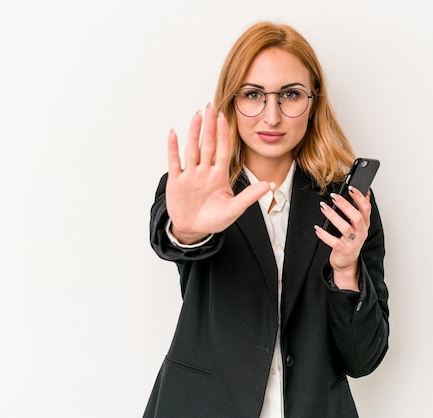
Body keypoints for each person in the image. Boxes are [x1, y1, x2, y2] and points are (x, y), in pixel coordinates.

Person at [144, 21, 389, 418]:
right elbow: (172, 234)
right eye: (253, 95)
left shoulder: (350, 206)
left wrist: (346, 271)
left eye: (290, 95)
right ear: (232, 100)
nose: (271, 116)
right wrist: (189, 231)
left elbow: (363, 359)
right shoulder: (197, 186)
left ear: (313, 103)